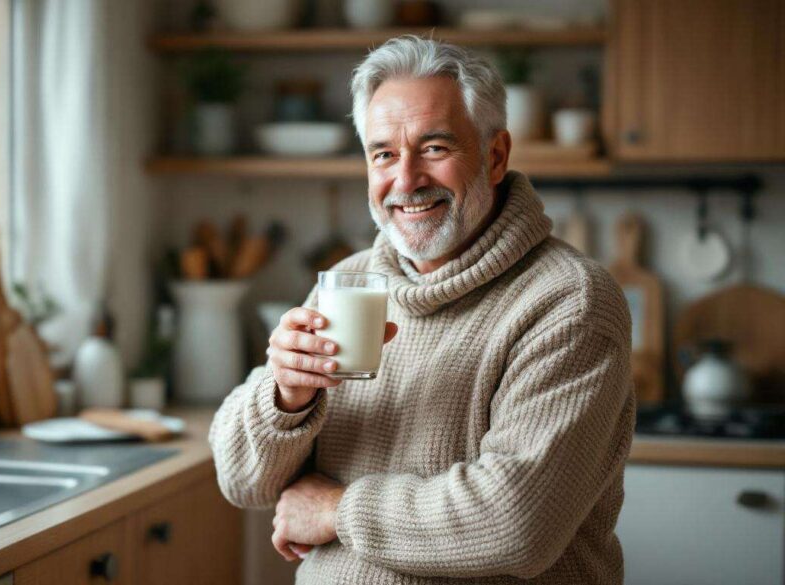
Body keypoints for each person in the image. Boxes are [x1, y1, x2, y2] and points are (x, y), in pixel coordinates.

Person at [209, 36, 634, 584]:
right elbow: (241, 482)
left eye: (434, 148)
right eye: (383, 153)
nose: (405, 180)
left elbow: (514, 525)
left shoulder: (569, 301)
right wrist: (285, 399)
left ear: (495, 155)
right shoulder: (350, 281)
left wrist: (337, 510)